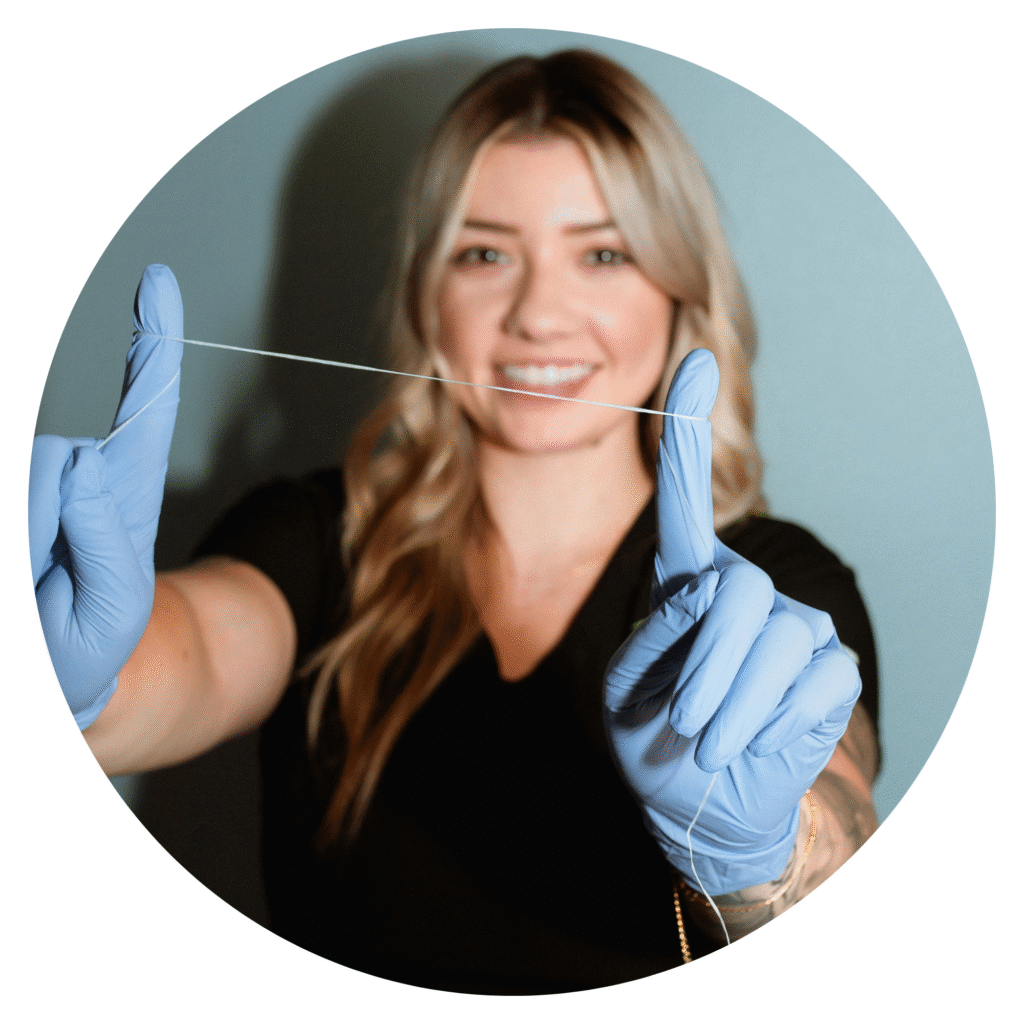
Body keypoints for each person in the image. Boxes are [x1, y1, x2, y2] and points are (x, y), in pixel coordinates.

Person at [30, 50, 879, 994]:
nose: (538, 315)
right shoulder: (316, 538)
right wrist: (56, 672)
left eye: (603, 252)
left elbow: (843, 830)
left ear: (680, 294)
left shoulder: (770, 582)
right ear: (429, 298)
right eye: (484, 252)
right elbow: (181, 657)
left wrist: (766, 858)